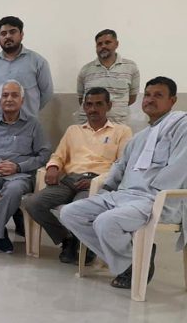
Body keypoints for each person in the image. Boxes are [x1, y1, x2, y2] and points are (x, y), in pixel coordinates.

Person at [60, 76, 187, 289]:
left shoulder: (181, 126)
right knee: (70, 213)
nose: (150, 99)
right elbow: (120, 165)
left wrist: (154, 192)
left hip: (157, 199)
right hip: (125, 196)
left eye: (158, 95)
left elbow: (181, 165)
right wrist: (107, 188)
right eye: (147, 95)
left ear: (172, 100)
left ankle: (132, 264)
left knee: (105, 222)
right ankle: (133, 260)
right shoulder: (140, 136)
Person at [22, 87, 132, 263]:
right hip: (69, 180)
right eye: (89, 104)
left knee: (75, 208)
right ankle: (67, 239)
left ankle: (86, 244)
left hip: (97, 182)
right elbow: (59, 155)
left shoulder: (121, 131)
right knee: (32, 202)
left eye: (98, 104)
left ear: (109, 106)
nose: (93, 109)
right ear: (83, 106)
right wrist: (52, 167)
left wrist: (95, 181)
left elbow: (123, 165)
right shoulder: (74, 130)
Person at [0, 79, 51, 254]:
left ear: (22, 100)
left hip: (19, 176)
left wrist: (18, 167)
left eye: (14, 95)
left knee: (13, 190)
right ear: (0, 101)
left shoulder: (33, 125)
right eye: (5, 95)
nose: (9, 99)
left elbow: (44, 155)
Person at [0, 16, 53, 119]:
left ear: (21, 35)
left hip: (27, 127)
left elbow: (47, 94)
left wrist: (30, 111)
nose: (8, 36)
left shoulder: (37, 62)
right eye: (3, 33)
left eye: (12, 32)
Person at [76, 29, 140, 124]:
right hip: (89, 126)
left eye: (107, 42)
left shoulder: (131, 67)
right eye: (99, 44)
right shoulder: (86, 70)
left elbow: (132, 98)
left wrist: (113, 111)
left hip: (118, 125)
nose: (103, 46)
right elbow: (82, 99)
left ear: (116, 44)